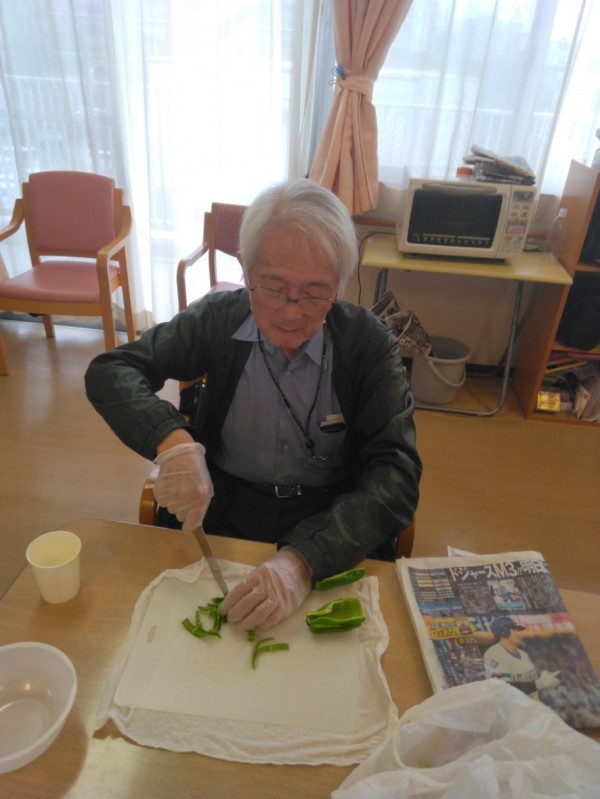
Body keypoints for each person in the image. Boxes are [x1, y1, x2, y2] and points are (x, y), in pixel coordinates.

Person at [85, 178, 421, 631]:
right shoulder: (218, 319)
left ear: (340, 286)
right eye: (274, 287)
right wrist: (173, 442)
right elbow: (112, 370)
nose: (291, 312)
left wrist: (303, 561)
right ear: (246, 272)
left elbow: (396, 473)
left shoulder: (367, 344)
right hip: (224, 506)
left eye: (314, 293)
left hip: (330, 515)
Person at [483, 616, 560, 698]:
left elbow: (527, 680)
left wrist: (543, 679)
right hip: (513, 705)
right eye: (515, 630)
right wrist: (537, 684)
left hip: (531, 703)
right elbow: (503, 688)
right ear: (503, 632)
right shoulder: (494, 654)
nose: (519, 634)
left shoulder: (523, 654)